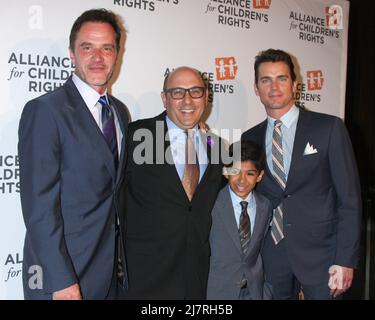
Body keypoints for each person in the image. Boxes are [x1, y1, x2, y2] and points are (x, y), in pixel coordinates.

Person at [18, 9, 129, 300]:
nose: (97, 57)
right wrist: (60, 280)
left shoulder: (119, 112)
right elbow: (39, 207)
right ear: (71, 54)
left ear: (117, 54)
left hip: (110, 275)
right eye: (87, 47)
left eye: (107, 48)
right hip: (64, 277)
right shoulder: (45, 111)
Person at [242, 49, 361, 300]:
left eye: (281, 78)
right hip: (271, 255)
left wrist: (346, 259)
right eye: (266, 80)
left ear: (295, 84)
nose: (274, 86)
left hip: (324, 256)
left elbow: (349, 199)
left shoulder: (328, 128)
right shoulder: (249, 138)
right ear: (256, 88)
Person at [120, 66, 225, 299]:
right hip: (144, 279)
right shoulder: (135, 136)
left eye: (195, 91)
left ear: (206, 96)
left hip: (196, 279)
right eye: (177, 92)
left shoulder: (217, 147)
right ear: (164, 98)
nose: (187, 100)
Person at [207, 140, 272, 300]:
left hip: (254, 292)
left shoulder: (265, 206)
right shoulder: (211, 204)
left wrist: (265, 292)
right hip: (217, 292)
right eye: (236, 172)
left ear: (260, 176)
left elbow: (260, 249)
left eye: (250, 173)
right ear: (226, 171)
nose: (242, 180)